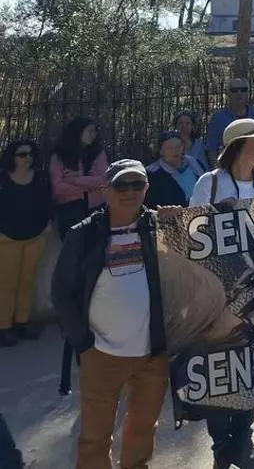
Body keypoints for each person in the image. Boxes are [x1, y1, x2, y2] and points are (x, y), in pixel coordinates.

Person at [51, 159, 171, 469]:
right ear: (105, 190)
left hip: (153, 353)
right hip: (101, 353)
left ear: (146, 188)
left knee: (143, 429)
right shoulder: (83, 235)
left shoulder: (161, 227)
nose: (129, 192)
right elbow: (62, 292)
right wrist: (82, 342)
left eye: (137, 184)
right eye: (121, 185)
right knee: (95, 437)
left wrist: (180, 220)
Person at [190, 120, 254, 468]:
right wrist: (217, 216)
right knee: (220, 370)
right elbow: (193, 234)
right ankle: (221, 446)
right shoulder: (209, 183)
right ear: (238, 146)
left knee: (251, 368)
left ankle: (243, 442)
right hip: (218, 293)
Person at [0, 139, 53, 346]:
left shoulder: (41, 177)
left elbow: (49, 201)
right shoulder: (3, 178)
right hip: (7, 238)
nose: (27, 158)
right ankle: (4, 326)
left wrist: (47, 224)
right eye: (22, 154)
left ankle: (22, 321)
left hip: (36, 236)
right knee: (7, 282)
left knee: (28, 280)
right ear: (12, 157)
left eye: (30, 154)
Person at [50, 117, 109, 239]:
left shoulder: (98, 153)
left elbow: (104, 179)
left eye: (95, 131)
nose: (93, 135)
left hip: (96, 208)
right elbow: (57, 187)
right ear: (78, 132)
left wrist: (75, 180)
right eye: (89, 131)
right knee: (72, 244)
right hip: (69, 208)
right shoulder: (60, 155)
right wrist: (88, 187)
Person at [204, 78, 254, 167]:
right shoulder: (218, 118)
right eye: (234, 90)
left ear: (247, 93)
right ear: (228, 94)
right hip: (229, 167)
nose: (239, 93)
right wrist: (217, 169)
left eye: (243, 90)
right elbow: (211, 148)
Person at [145, 131, 204, 209]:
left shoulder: (195, 164)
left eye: (178, 146)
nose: (175, 151)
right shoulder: (152, 174)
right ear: (160, 151)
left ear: (183, 147)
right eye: (169, 148)